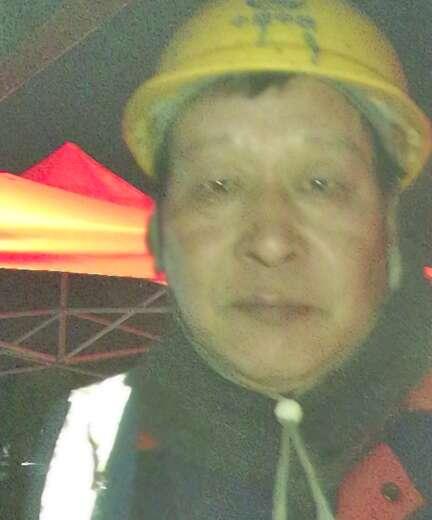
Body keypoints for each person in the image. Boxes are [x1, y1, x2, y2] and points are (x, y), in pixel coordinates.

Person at [33, 0, 432, 518]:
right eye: (218, 185)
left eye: (320, 183)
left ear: (388, 226)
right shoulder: (90, 445)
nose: (270, 241)